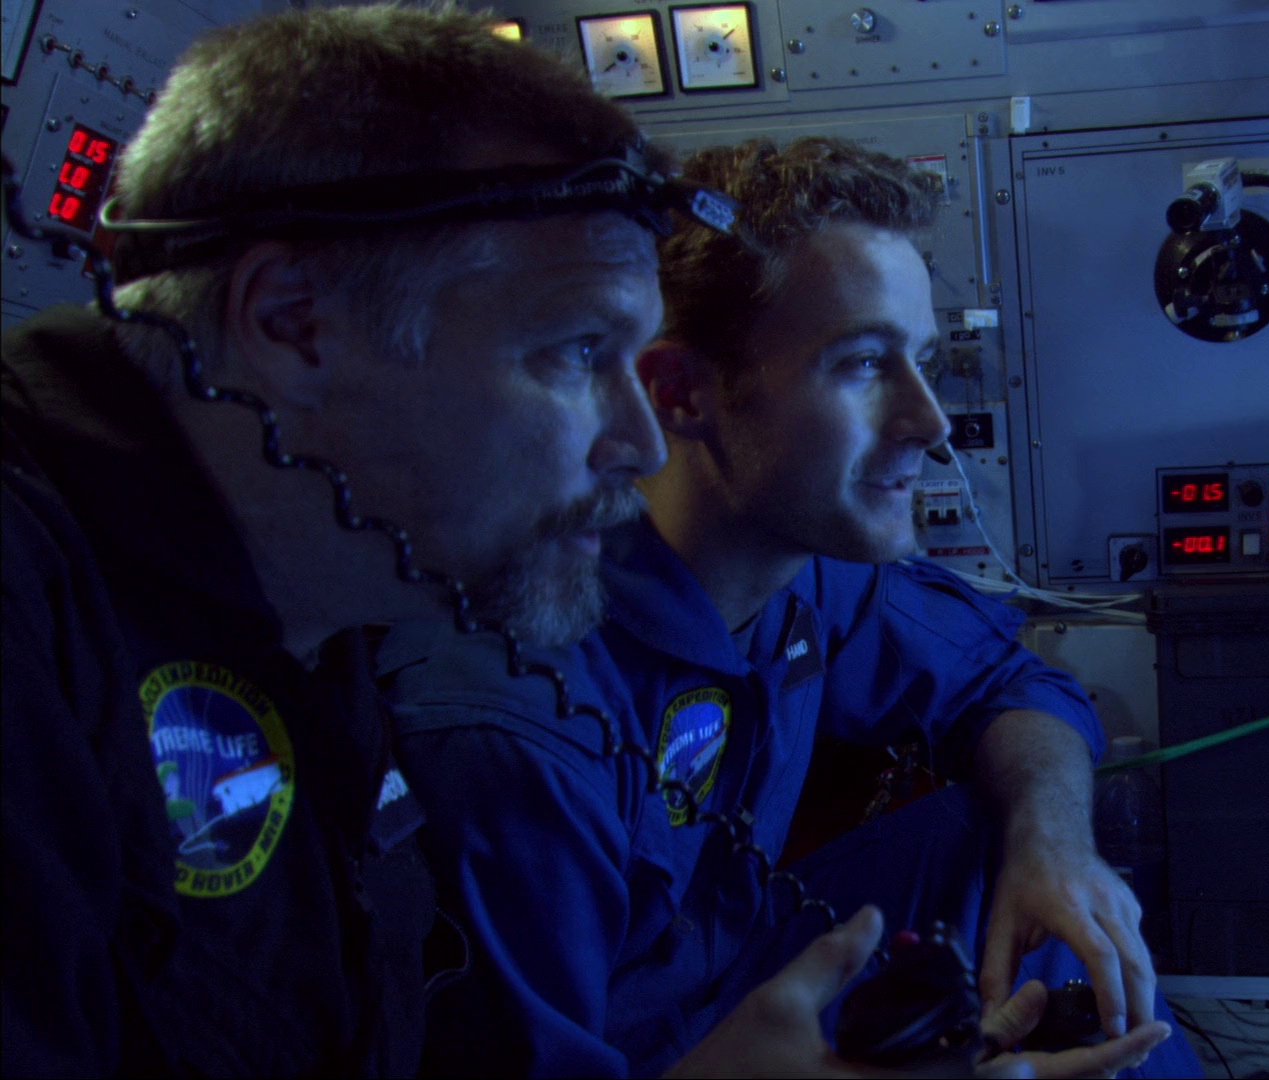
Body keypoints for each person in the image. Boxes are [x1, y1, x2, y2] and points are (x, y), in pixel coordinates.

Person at [378, 137, 1200, 1076]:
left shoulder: (803, 569)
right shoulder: (512, 727)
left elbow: (1010, 682)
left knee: (1003, 845)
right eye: (862, 364)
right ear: (680, 394)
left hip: (737, 968)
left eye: (923, 360)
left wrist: (1051, 844)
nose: (930, 422)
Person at [1, 5, 681, 1074]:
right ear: (293, 324)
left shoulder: (334, 585)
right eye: (578, 350)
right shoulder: (29, 613)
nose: (643, 446)